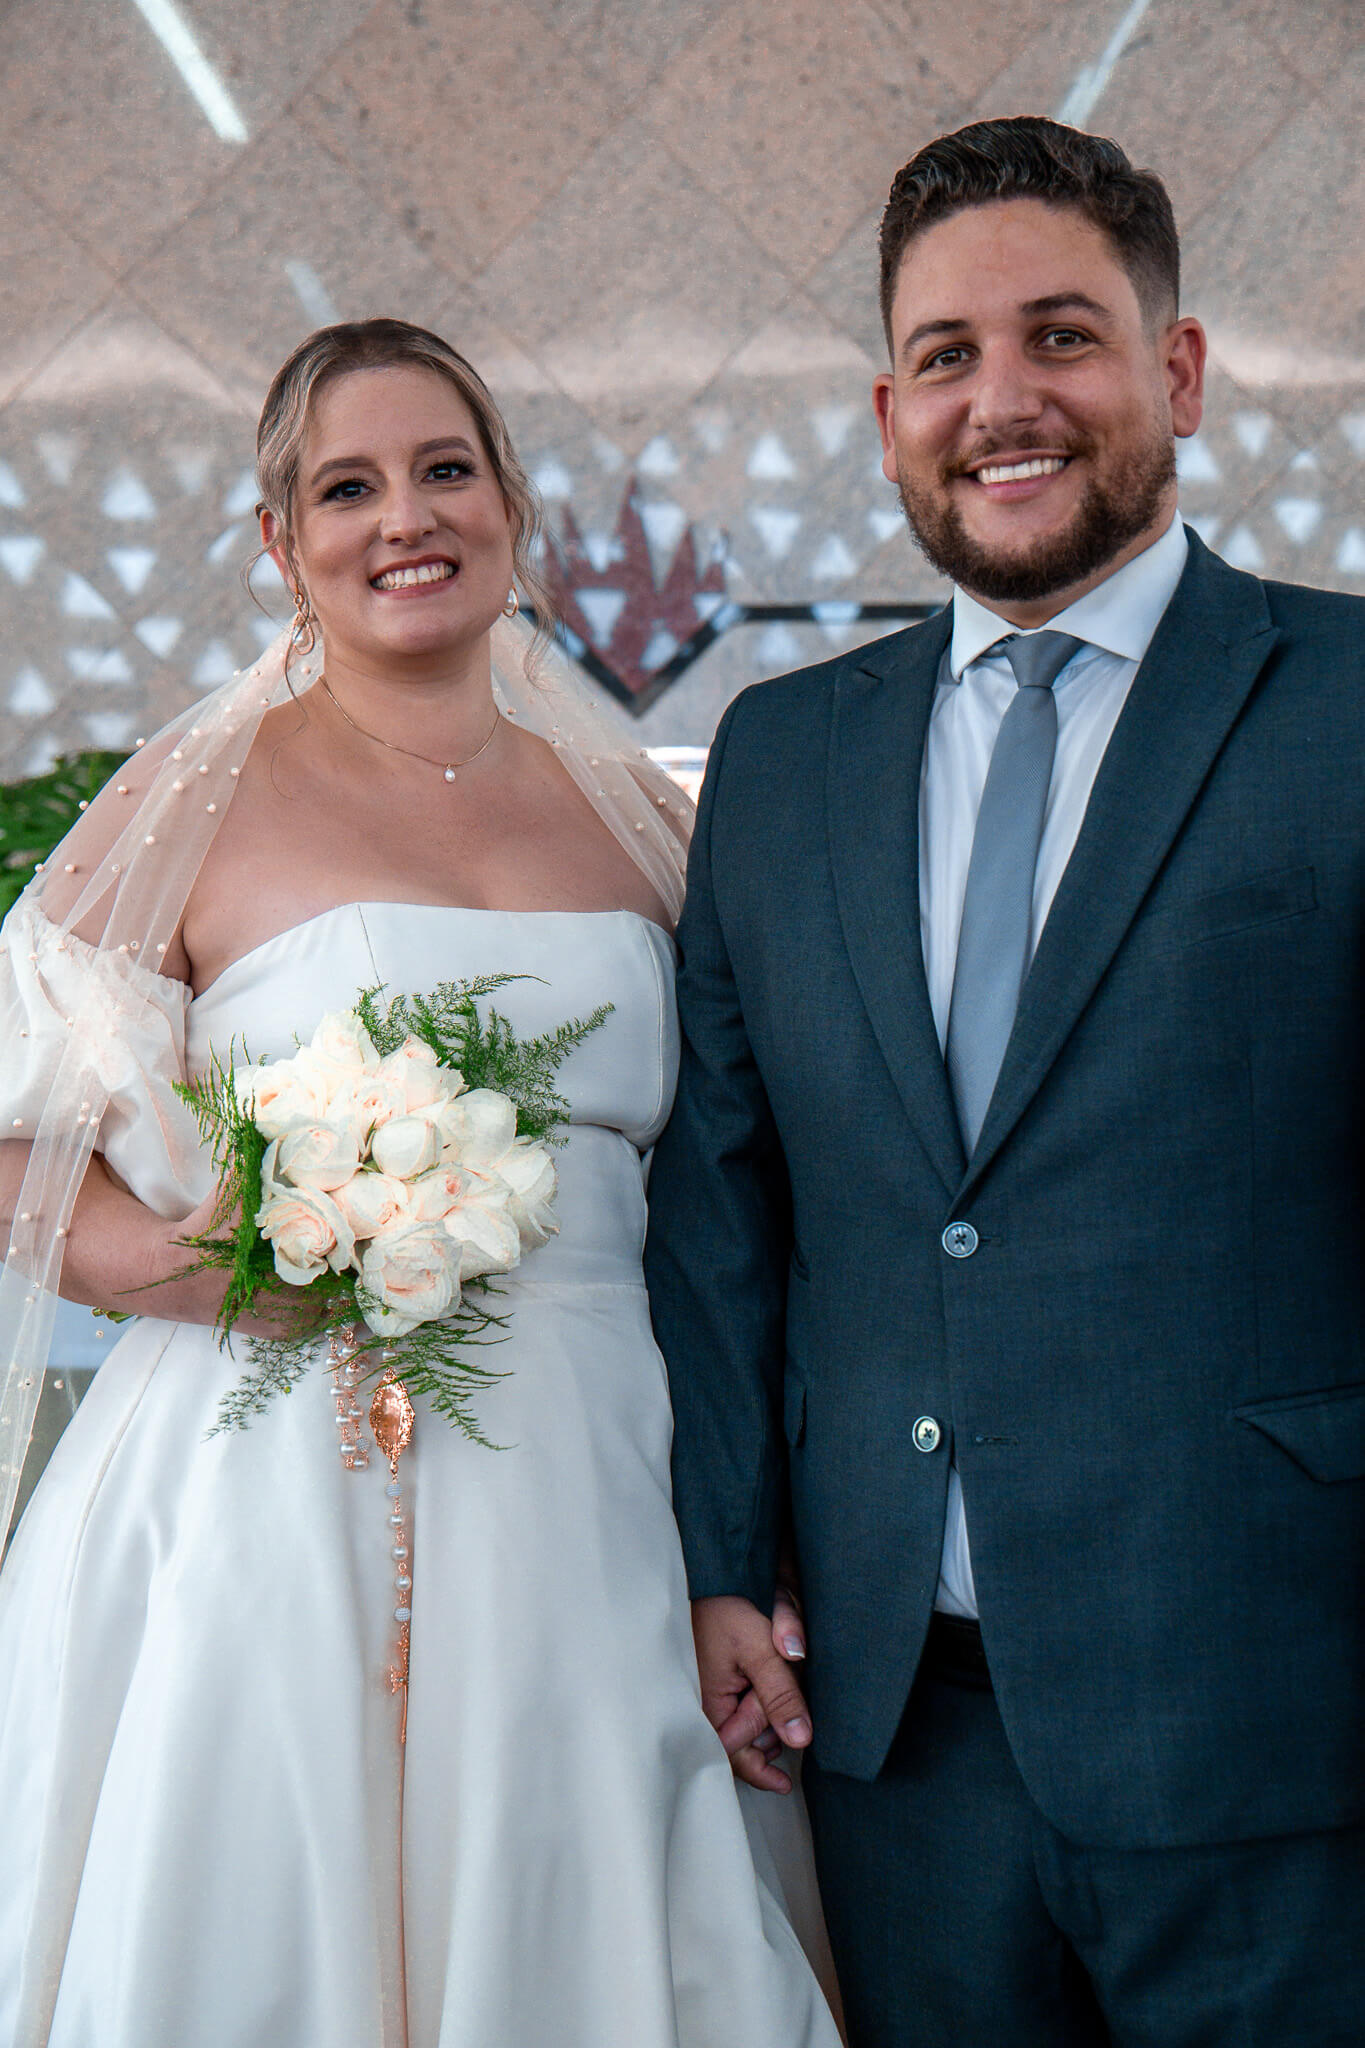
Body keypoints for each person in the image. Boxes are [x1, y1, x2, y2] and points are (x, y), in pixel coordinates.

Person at [0, 319, 842, 2048]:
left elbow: (737, 1196)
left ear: (510, 504)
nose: (406, 517)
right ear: (279, 542)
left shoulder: (642, 821)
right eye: (347, 487)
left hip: (603, 1473)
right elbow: (16, 1135)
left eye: (445, 469)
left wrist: (743, 1548)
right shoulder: (190, 795)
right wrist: (206, 1273)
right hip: (276, 1476)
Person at [645, 117, 1365, 2046]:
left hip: (1277, 1715)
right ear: (890, 416)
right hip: (894, 1738)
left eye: (1061, 336)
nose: (1001, 401)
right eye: (946, 357)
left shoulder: (1347, 704)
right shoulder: (778, 761)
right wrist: (718, 1562)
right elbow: (722, 1208)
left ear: (1176, 372)